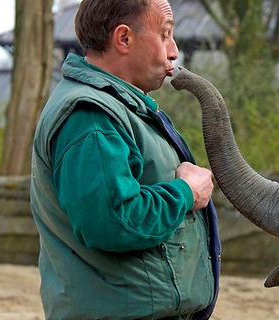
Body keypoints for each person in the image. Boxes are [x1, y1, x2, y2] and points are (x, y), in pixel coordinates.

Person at [29, 0, 221, 319]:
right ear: (124, 39)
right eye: (164, 35)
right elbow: (114, 221)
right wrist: (185, 193)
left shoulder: (120, 108)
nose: (173, 51)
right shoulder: (91, 118)